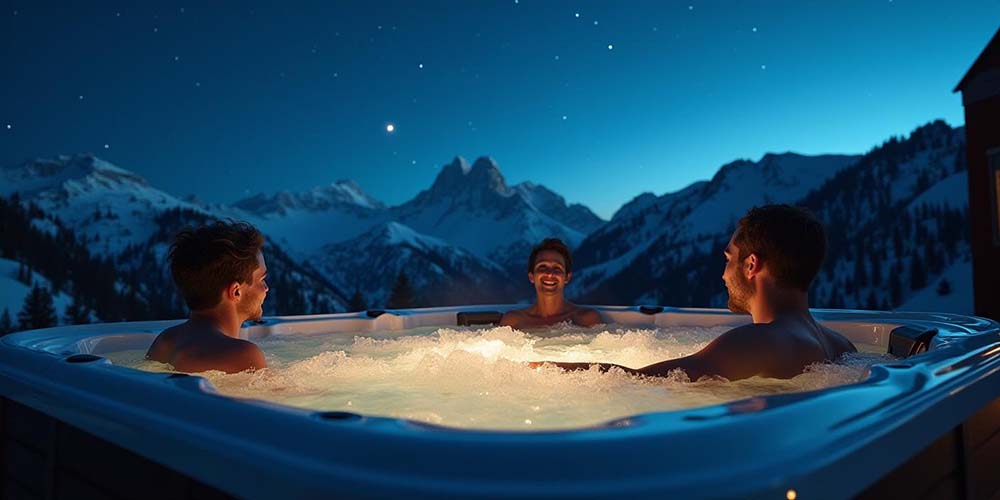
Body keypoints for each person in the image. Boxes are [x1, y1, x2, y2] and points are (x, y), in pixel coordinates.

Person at [533, 205, 856, 381]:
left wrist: (538, 369)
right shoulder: (840, 344)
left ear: (751, 265)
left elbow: (640, 382)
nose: (723, 274)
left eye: (729, 259)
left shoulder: (761, 340)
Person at [146, 221, 269, 373]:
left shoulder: (166, 341)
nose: (266, 288)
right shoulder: (243, 354)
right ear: (236, 291)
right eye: (261, 279)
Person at [500, 238, 601, 329]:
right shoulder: (513, 321)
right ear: (531, 276)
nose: (549, 274)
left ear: (566, 277)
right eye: (542, 267)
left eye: (557, 268)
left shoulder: (586, 319)